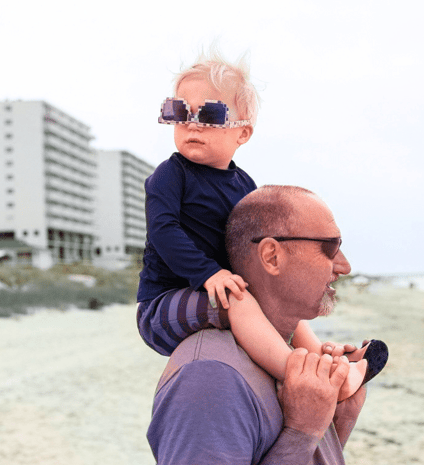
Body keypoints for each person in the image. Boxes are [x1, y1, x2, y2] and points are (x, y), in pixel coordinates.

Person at [136, 50, 384, 401]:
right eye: (178, 111)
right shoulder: (169, 175)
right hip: (163, 304)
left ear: (242, 133)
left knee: (268, 299)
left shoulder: (244, 186)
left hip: (215, 289)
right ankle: (302, 377)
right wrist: (209, 274)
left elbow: (250, 245)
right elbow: (164, 232)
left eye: (209, 113)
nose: (191, 123)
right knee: (237, 300)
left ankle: (316, 360)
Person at [148, 185, 382, 464]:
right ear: (272, 256)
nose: (345, 267)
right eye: (330, 248)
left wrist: (334, 421)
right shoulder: (211, 376)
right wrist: (303, 430)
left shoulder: (285, 348)